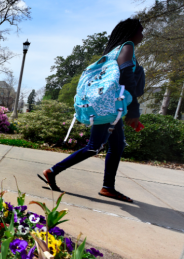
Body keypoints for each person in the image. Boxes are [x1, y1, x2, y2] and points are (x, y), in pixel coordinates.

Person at [39, 18, 145, 203]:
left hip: (108, 107)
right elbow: (127, 75)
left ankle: (108, 187)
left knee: (117, 145)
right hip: (109, 107)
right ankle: (52, 171)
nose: (142, 35)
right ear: (131, 32)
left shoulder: (112, 51)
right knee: (94, 146)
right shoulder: (127, 46)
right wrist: (134, 109)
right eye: (140, 31)